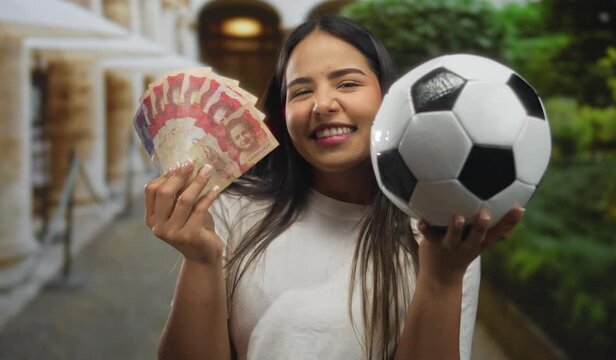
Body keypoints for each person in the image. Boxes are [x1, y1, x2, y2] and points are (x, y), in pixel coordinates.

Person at [143, 15, 524, 360]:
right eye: (301, 91)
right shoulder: (232, 212)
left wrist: (442, 278)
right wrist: (200, 259)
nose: (323, 104)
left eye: (347, 83)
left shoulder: (441, 232)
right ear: (282, 111)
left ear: (388, 97)